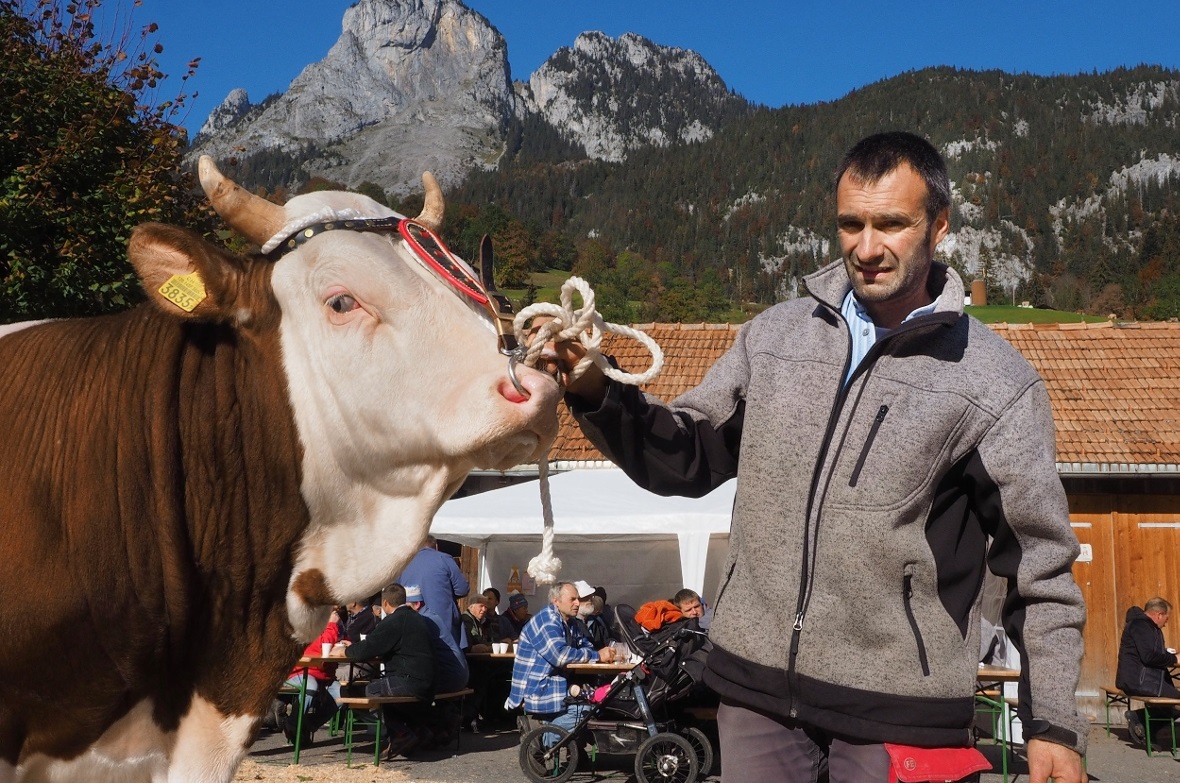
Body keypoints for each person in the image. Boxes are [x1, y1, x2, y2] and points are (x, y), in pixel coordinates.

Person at [545, 131, 1087, 783]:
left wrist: (1052, 722)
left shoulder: (996, 384)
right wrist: (595, 390)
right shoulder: (772, 338)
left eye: (891, 224)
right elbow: (683, 455)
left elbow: (1039, 567)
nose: (867, 247)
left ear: (939, 225)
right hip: (755, 697)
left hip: (902, 712)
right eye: (851, 224)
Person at [505, 581, 617, 735]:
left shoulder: (570, 622)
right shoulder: (547, 620)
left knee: (599, 703)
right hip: (539, 688)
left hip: (557, 682)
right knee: (585, 710)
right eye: (573, 599)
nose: (577, 603)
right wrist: (597, 655)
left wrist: (592, 654)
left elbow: (586, 645)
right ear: (556, 601)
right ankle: (541, 736)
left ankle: (558, 735)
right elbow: (560, 655)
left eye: (578, 599)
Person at [343, 583, 435, 759]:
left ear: (385, 603)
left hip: (408, 681)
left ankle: (401, 733)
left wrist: (346, 651)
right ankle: (416, 730)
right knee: (385, 690)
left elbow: (367, 649)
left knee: (357, 691)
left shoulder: (394, 621)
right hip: (426, 681)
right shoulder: (417, 618)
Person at [1116, 597, 1180, 750]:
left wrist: (1167, 654)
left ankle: (1146, 728)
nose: (1166, 623)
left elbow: (1150, 653)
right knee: (1176, 703)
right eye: (1166, 618)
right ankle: (1139, 718)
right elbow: (1149, 656)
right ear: (1159, 614)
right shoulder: (1141, 626)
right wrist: (1174, 659)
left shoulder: (1143, 626)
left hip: (1143, 678)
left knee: (1172, 703)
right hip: (1140, 680)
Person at [281, 609, 343, 745]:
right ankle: (293, 723)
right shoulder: (309, 623)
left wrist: (346, 643)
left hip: (325, 675)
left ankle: (306, 725)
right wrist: (332, 625)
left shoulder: (334, 622)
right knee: (310, 686)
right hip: (300, 671)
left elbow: (337, 641)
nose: (336, 610)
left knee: (341, 696)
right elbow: (321, 648)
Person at [397, 535, 470, 647]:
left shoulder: (403, 563)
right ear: (436, 546)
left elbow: (396, 592)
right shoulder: (444, 559)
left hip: (411, 623)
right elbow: (462, 589)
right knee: (449, 655)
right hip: (444, 622)